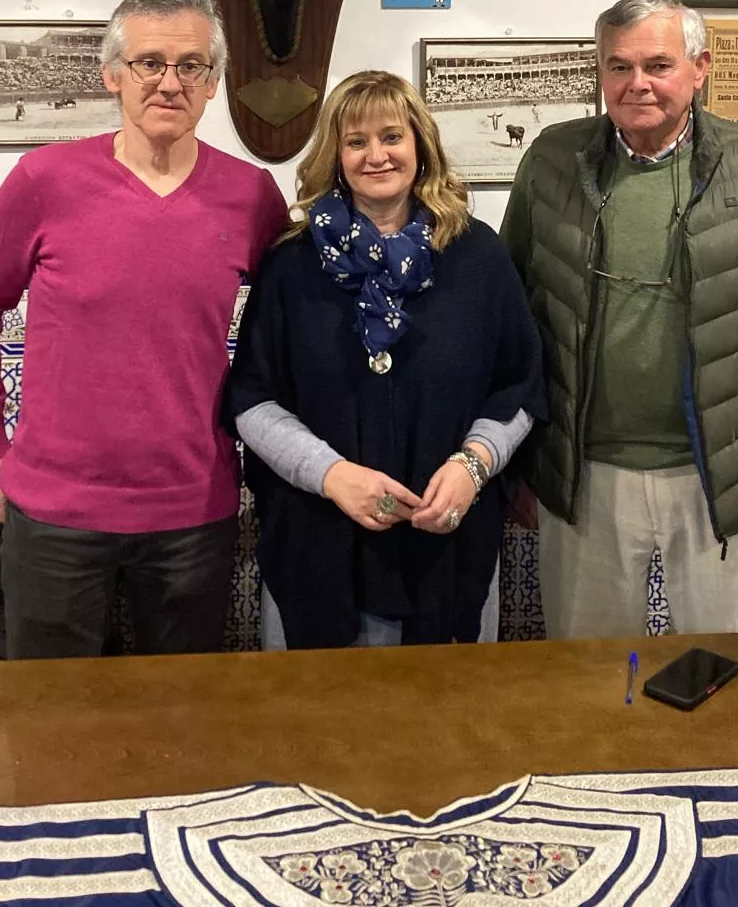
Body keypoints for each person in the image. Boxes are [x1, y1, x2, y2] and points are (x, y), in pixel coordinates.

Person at [0, 0, 287, 659]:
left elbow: (291, 331)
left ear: (213, 82)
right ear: (112, 76)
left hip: (194, 513)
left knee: (180, 723)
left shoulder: (251, 196)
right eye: (149, 63)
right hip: (54, 515)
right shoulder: (45, 180)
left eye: (191, 66)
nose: (170, 82)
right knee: (51, 721)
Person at [501, 0, 738, 638]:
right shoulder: (551, 161)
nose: (637, 84)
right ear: (600, 72)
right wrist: (523, 458)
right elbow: (509, 316)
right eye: (618, 66)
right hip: (585, 478)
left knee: (729, 674)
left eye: (658, 65)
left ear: (700, 67)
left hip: (727, 477)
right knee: (590, 685)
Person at [227, 70, 546, 649]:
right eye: (356, 141)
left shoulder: (478, 255)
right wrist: (331, 475)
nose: (377, 155)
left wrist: (473, 466)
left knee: (446, 726)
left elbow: (519, 386)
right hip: (318, 542)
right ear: (335, 155)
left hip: (446, 542)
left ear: (420, 146)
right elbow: (252, 398)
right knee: (319, 727)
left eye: (392, 137)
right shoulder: (291, 265)